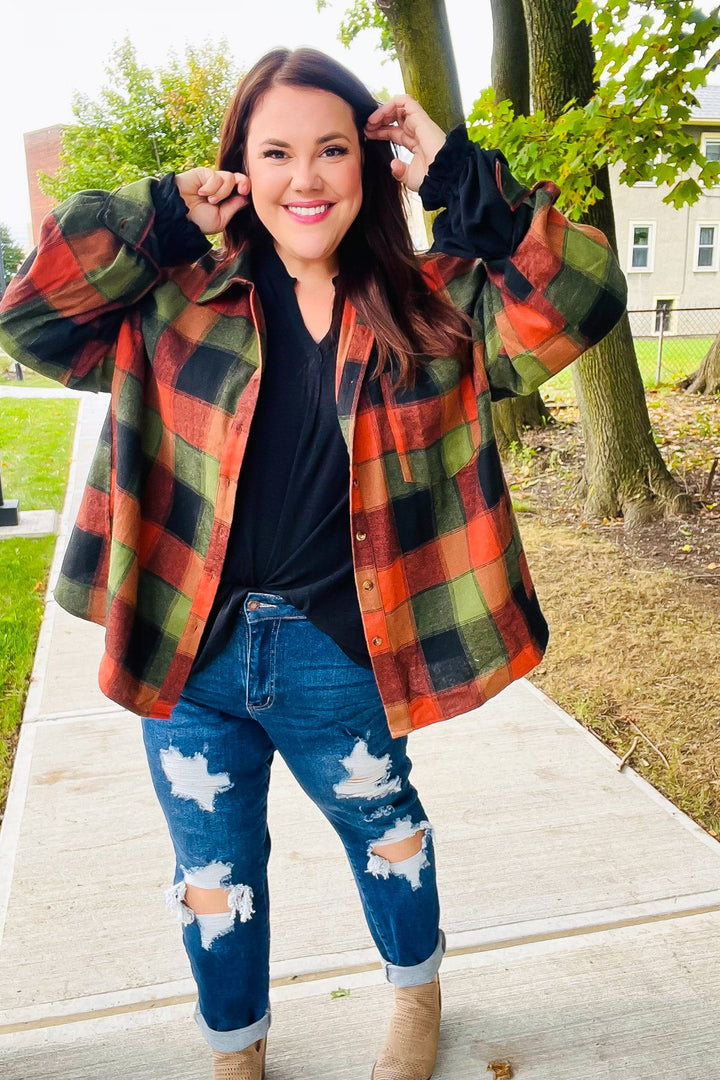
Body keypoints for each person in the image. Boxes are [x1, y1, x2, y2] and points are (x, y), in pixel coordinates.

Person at [0, 46, 626, 1080]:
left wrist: (461, 175)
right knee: (212, 872)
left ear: (371, 164)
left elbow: (585, 295)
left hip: (339, 653)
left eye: (333, 149)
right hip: (192, 659)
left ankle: (415, 992)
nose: (306, 178)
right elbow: (28, 318)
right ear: (240, 167)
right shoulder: (175, 297)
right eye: (277, 151)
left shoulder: (435, 308)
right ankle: (234, 1050)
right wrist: (158, 213)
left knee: (390, 841)